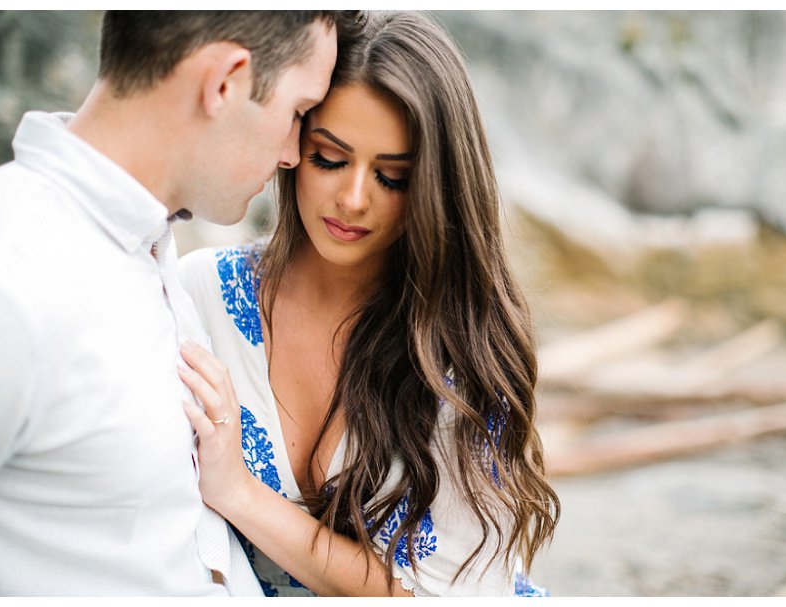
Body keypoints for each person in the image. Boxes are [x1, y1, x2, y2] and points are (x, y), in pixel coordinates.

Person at [0, 10, 364, 596]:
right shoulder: (2, 276)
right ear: (226, 83)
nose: (292, 152)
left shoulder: (145, 251)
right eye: (298, 113)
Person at [177, 11, 560, 597]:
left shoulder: (461, 352)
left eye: (393, 177)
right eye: (330, 158)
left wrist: (239, 493)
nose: (353, 199)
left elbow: (436, 595)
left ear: (436, 186)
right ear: (291, 142)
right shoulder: (200, 296)